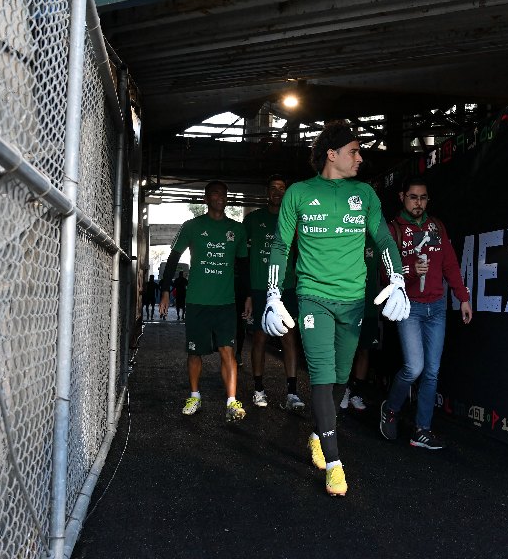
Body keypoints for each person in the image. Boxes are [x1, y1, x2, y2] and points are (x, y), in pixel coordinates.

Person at [262, 120, 410, 496]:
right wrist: (273, 294)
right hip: (313, 296)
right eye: (354, 152)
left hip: (354, 301)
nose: (360, 158)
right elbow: (281, 246)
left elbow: (382, 238)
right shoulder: (298, 193)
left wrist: (397, 279)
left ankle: (317, 433)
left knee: (341, 376)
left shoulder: (365, 194)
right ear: (332, 155)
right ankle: (334, 463)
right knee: (323, 377)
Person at [379, 176, 473, 449]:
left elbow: (451, 266)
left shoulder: (437, 227)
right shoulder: (393, 229)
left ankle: (422, 429)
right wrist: (408, 269)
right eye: (413, 197)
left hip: (437, 307)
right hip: (409, 307)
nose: (418, 203)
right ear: (402, 197)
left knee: (431, 372)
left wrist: (463, 298)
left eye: (423, 198)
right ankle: (391, 408)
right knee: (414, 368)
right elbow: (385, 275)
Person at [159, 181, 249, 422]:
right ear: (206, 198)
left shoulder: (237, 230)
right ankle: (195, 396)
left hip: (226, 303)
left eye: (223, 194)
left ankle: (231, 401)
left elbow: (243, 267)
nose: (220, 198)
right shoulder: (192, 227)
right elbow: (173, 258)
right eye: (215, 194)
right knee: (194, 352)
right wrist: (165, 290)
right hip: (197, 301)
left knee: (227, 350)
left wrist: (248, 296)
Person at [242, 174, 306, 413]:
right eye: (273, 188)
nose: (278, 192)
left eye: (282, 188)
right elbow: (243, 257)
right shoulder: (253, 220)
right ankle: (258, 389)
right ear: (266, 193)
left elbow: (304, 255)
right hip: (260, 288)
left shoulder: (294, 220)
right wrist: (248, 293)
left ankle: (292, 393)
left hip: (287, 288)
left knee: (289, 337)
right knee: (260, 338)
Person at [339, 237, 381, 412]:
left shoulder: (375, 242)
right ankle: (343, 390)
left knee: (364, 350)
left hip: (370, 306)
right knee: (347, 351)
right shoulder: (345, 239)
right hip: (348, 306)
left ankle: (356, 392)